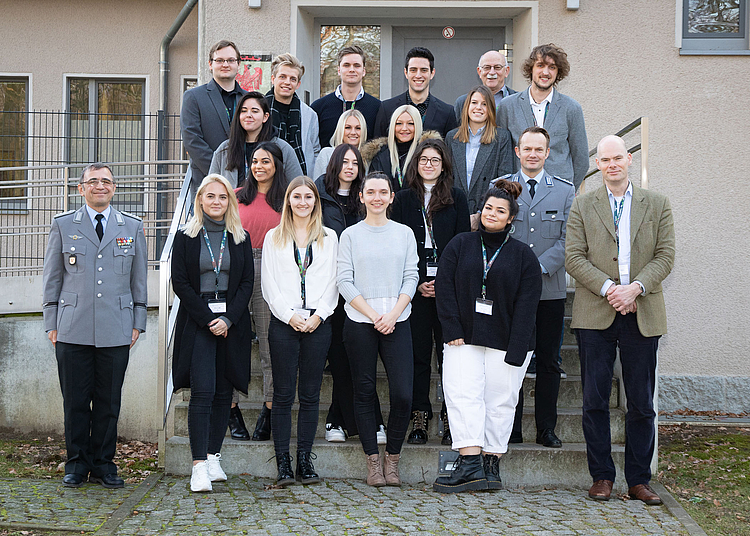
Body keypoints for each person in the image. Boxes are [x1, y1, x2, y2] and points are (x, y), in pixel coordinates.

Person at [565, 135, 675, 505]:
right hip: (596, 310)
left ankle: (639, 480)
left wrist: (636, 288)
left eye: (618, 158)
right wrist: (611, 288)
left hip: (642, 309)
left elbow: (666, 255)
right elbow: (574, 257)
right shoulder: (583, 205)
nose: (611, 164)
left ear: (629, 159)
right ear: (598, 165)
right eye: (605, 159)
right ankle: (602, 477)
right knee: (594, 399)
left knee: (641, 402)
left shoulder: (657, 204)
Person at [43, 163, 147, 489]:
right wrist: (51, 323)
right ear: (81, 188)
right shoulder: (62, 226)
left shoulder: (131, 227)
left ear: (114, 188)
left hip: (117, 327)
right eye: (93, 181)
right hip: (71, 327)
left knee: (108, 402)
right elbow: (52, 279)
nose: (100, 186)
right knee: (75, 402)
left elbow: (138, 281)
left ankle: (104, 464)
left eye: (106, 181)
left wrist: (138, 322)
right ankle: (76, 464)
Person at [433, 181, 541, 493]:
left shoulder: (524, 256)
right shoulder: (460, 244)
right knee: (461, 395)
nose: (492, 214)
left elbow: (527, 306)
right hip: (462, 337)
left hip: (507, 341)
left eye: (500, 211)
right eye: (488, 208)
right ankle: (469, 464)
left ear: (511, 219)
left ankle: (490, 466)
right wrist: (451, 327)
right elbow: (445, 288)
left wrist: (518, 347)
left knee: (501, 402)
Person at [171, 174, 255, 493]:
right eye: (211, 196)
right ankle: (198, 466)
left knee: (224, 392)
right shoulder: (186, 237)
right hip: (199, 322)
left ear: (230, 202)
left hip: (231, 324)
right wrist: (208, 319)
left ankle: (213, 455)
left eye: (223, 197)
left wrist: (229, 319)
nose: (217, 202)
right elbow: (181, 283)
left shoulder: (240, 237)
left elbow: (247, 282)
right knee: (203, 390)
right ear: (200, 200)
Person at [493, 127, 574, 449]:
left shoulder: (565, 192)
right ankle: (510, 427)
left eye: (539, 149)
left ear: (547, 153)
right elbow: (494, 232)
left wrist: (537, 266)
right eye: (527, 149)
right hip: (509, 292)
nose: (532, 154)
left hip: (548, 290)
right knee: (510, 359)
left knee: (549, 362)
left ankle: (546, 429)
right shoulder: (500, 188)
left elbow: (570, 239)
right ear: (517, 151)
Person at [337, 172, 418, 487]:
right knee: (365, 391)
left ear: (391, 197)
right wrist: (373, 314)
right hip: (360, 321)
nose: (377, 197)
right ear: (362, 196)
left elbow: (411, 275)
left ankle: (392, 459)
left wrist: (393, 313)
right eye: (370, 191)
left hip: (398, 319)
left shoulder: (404, 233)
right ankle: (373, 461)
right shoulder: (351, 235)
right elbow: (345, 280)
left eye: (383, 192)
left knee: (402, 394)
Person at [391, 138, 470, 446]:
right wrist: (420, 279)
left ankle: (451, 417)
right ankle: (419, 416)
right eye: (424, 160)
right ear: (416, 163)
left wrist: (444, 283)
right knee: (419, 356)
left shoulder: (457, 198)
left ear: (444, 165)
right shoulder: (402, 199)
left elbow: (463, 244)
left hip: (448, 289)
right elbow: (397, 247)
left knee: (450, 357)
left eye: (435, 160)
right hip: (414, 285)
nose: (429, 165)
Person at [261, 177, 339, 486]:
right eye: (297, 196)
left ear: (316, 202)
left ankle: (305, 462)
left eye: (308, 196)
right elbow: (268, 283)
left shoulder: (330, 237)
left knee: (309, 395)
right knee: (282, 395)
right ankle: (283, 464)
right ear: (288, 201)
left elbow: (335, 282)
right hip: (284, 324)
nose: (303, 202)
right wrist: (289, 315)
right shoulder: (273, 237)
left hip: (318, 324)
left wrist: (319, 316)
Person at [314, 144, 387, 444]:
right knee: (340, 358)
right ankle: (366, 422)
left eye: (354, 163)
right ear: (333, 164)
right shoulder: (319, 196)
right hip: (330, 287)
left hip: (362, 288)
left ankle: (336, 421)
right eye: (343, 162)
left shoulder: (366, 199)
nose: (349, 167)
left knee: (358, 359)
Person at [233, 142, 289, 441]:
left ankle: (269, 409)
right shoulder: (237, 197)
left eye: (266, 161)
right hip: (238, 269)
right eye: (255, 161)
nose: (259, 166)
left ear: (276, 165)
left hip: (273, 271)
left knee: (269, 346)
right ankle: (231, 410)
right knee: (233, 343)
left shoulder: (286, 201)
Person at [497, 43, 588, 190]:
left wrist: (568, 190)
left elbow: (581, 159)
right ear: (531, 69)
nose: (545, 72)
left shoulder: (571, 108)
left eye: (552, 67)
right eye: (540, 65)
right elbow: (501, 154)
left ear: (558, 72)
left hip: (558, 192)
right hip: (517, 192)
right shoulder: (508, 106)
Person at [181, 40, 248, 197]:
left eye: (231, 60)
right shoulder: (194, 97)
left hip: (245, 185)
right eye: (219, 60)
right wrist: (219, 174)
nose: (225, 64)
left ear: (238, 64)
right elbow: (192, 141)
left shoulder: (249, 98)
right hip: (208, 182)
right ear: (210, 65)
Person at [209, 91, 303, 188]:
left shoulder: (282, 148)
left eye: (254, 111)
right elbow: (210, 186)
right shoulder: (224, 149)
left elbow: (297, 187)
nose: (248, 115)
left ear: (265, 117)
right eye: (243, 111)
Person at [445, 85, 514, 214]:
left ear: (491, 109)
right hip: (454, 209)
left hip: (487, 213)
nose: (478, 108)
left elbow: (504, 180)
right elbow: (446, 177)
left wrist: (480, 213)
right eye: (474, 103)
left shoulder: (502, 138)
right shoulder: (452, 137)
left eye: (484, 104)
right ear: (467, 107)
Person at [374, 47, 457, 139]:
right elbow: (379, 148)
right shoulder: (387, 108)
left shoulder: (447, 113)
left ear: (432, 73)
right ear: (406, 73)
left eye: (424, 70)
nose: (418, 75)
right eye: (413, 70)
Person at [311, 45, 381, 149]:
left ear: (364, 71)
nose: (351, 69)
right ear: (339, 70)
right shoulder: (318, 107)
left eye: (357, 65)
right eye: (346, 65)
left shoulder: (378, 108)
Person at [265, 53, 320, 175]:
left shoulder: (309, 115)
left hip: (300, 181)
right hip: (267, 178)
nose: (287, 82)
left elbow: (315, 151)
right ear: (273, 79)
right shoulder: (260, 109)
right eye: (282, 77)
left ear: (298, 84)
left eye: (293, 79)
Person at [364, 104, 439, 193]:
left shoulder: (427, 153)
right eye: (399, 123)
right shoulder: (380, 155)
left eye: (410, 123)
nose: (404, 128)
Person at [453, 50, 516, 124]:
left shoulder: (518, 102)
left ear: (506, 71)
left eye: (497, 67)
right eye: (487, 67)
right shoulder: (462, 102)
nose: (492, 72)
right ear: (479, 72)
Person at [313, 109, 368, 179]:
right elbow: (318, 186)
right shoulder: (327, 154)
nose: (353, 132)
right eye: (348, 127)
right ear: (340, 130)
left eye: (358, 128)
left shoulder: (368, 159)